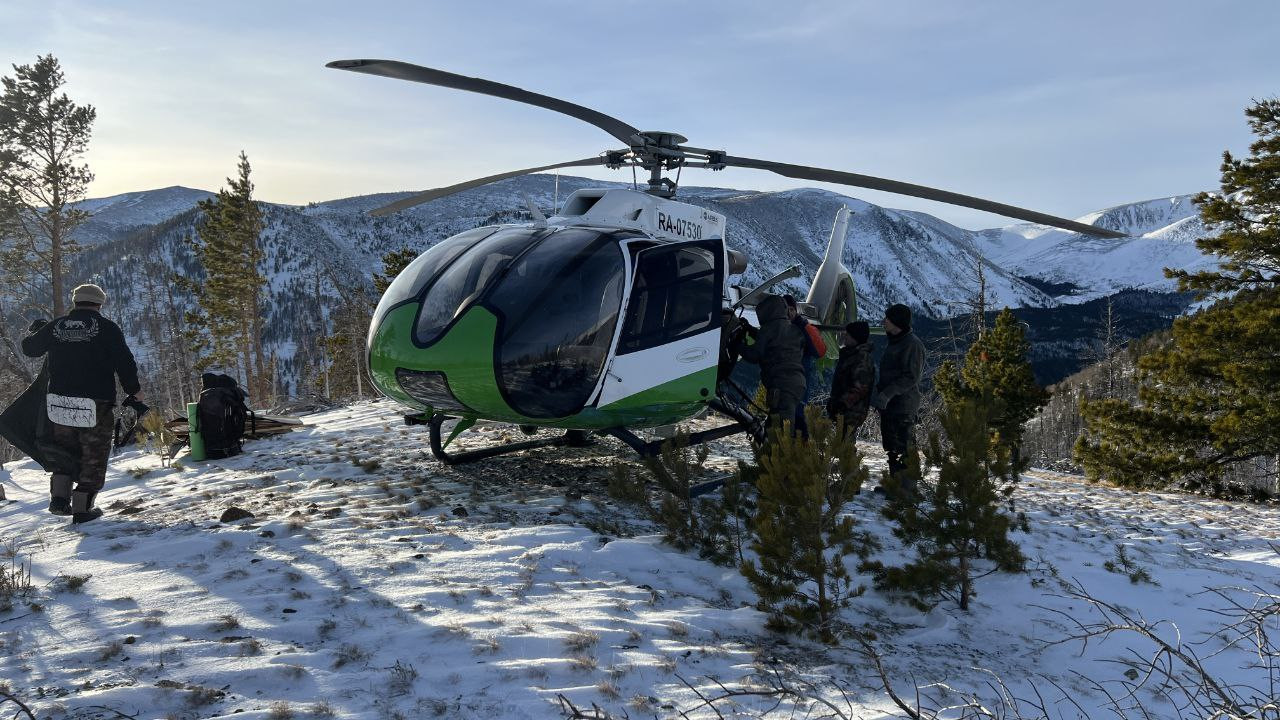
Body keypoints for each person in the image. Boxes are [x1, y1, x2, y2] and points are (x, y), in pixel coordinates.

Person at [21, 283, 141, 524]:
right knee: (94, 454)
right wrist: (134, 392)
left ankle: (59, 499)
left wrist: (37, 332)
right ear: (99, 303)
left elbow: (30, 349)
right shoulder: (107, 328)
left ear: (75, 302)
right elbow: (124, 362)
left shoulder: (56, 327)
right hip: (94, 403)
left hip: (59, 403)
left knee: (63, 451)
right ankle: (83, 508)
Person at [870, 303, 925, 493]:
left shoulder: (912, 344)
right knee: (892, 445)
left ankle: (907, 489)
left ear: (897, 322)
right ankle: (896, 484)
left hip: (903, 404)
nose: (884, 321)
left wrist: (887, 393)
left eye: (888, 319)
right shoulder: (895, 341)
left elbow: (911, 377)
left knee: (905, 445)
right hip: (890, 404)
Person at [738, 294, 807, 441]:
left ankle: (782, 460)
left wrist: (738, 345)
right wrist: (750, 330)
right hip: (798, 382)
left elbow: (754, 355)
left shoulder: (768, 329)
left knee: (782, 431)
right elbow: (774, 342)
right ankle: (774, 458)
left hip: (782, 384)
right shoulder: (792, 328)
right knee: (778, 424)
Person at [781, 295, 826, 439]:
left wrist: (804, 327)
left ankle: (801, 453)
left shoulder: (805, 327)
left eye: (791, 309)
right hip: (784, 382)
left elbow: (820, 351)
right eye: (786, 310)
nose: (789, 313)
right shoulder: (779, 328)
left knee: (798, 418)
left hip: (800, 383)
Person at [826, 321, 875, 439]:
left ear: (855, 337)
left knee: (845, 444)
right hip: (844, 409)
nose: (844, 336)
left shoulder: (861, 358)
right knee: (841, 442)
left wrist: (842, 403)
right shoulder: (851, 354)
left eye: (847, 334)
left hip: (851, 411)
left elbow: (861, 387)